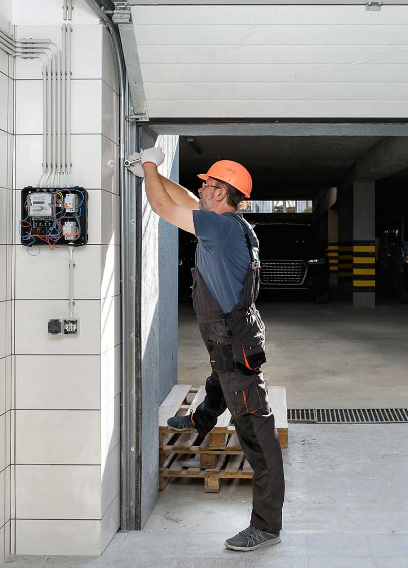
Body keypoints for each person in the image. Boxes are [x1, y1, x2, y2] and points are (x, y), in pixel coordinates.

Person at [127, 148, 285, 552]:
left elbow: (163, 207)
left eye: (207, 185)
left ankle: (266, 526)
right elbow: (181, 197)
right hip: (232, 337)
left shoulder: (220, 229)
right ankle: (201, 420)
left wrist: (149, 168)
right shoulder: (228, 223)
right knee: (219, 380)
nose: (200, 188)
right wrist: (153, 173)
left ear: (221, 193)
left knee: (257, 436)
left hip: (234, 343)